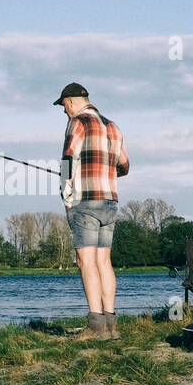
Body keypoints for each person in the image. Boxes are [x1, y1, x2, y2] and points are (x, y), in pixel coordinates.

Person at [54, 82, 129, 340]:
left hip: (85, 203)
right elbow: (125, 164)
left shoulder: (78, 122)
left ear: (72, 101)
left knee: (86, 261)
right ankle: (111, 325)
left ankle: (96, 327)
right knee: (104, 262)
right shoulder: (113, 126)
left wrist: (66, 195)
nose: (65, 112)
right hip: (110, 202)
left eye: (64, 107)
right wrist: (105, 169)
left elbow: (67, 159)